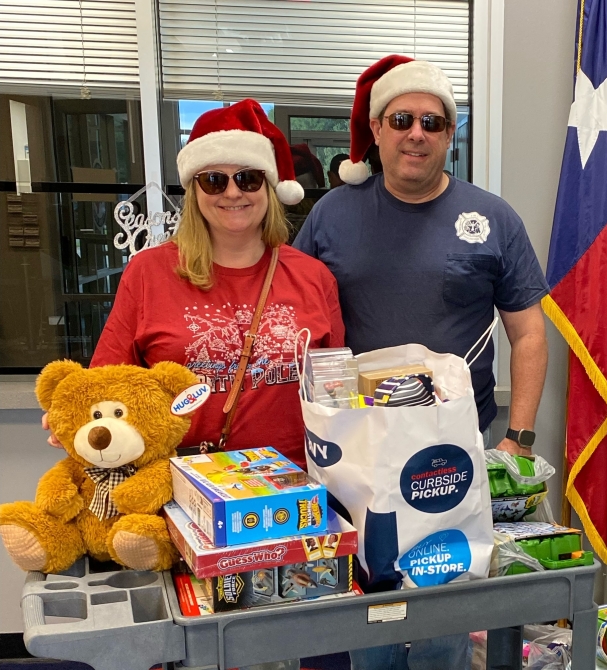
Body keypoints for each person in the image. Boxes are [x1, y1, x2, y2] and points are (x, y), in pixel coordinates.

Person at [294, 55, 548, 670]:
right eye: (401, 118)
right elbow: (295, 311)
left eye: (432, 122)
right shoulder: (332, 214)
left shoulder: (494, 218)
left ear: (449, 138)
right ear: (376, 131)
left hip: (454, 442)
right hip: (358, 446)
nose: (416, 133)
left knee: (446, 593)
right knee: (368, 596)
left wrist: (516, 439)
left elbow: (530, 335)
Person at [65, 99, 345, 470]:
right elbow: (105, 384)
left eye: (248, 178)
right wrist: (72, 412)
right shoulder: (148, 273)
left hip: (292, 488)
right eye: (214, 180)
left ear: (269, 187)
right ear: (194, 191)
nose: (232, 193)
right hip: (179, 486)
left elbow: (336, 393)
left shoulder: (313, 277)